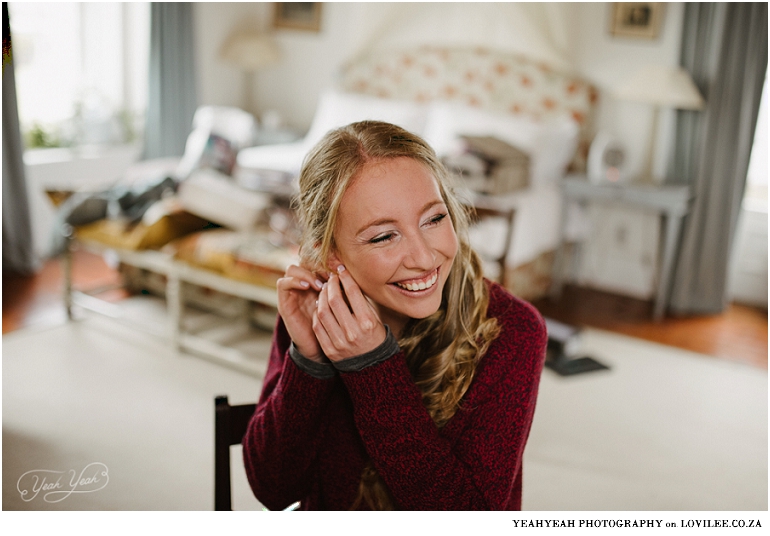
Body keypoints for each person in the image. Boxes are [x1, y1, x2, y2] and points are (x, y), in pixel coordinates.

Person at [242, 120, 547, 510]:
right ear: (330, 256)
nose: (424, 258)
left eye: (434, 219)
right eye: (384, 236)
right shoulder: (316, 311)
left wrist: (371, 368)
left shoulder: (512, 330)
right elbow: (274, 488)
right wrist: (308, 363)